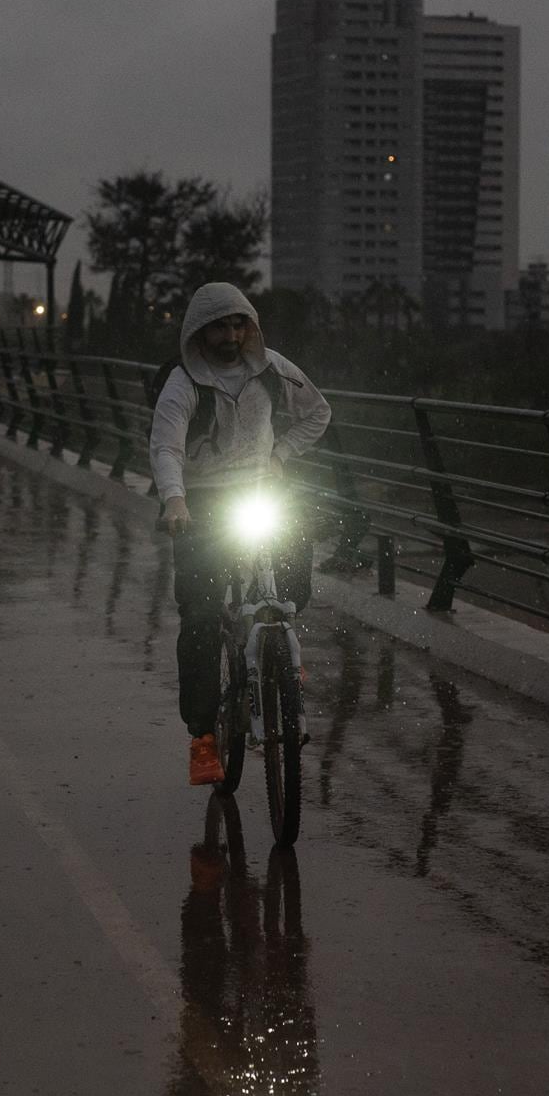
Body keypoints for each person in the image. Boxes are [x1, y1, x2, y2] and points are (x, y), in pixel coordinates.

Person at [153, 282, 331, 786]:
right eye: (219, 326)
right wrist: (175, 499)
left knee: (293, 579)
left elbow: (318, 412)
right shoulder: (183, 383)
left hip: (259, 492)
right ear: (199, 331)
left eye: (238, 324)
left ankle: (280, 657)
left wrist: (280, 456)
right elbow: (166, 446)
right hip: (202, 503)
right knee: (203, 615)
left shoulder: (272, 369)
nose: (230, 335)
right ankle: (203, 736)